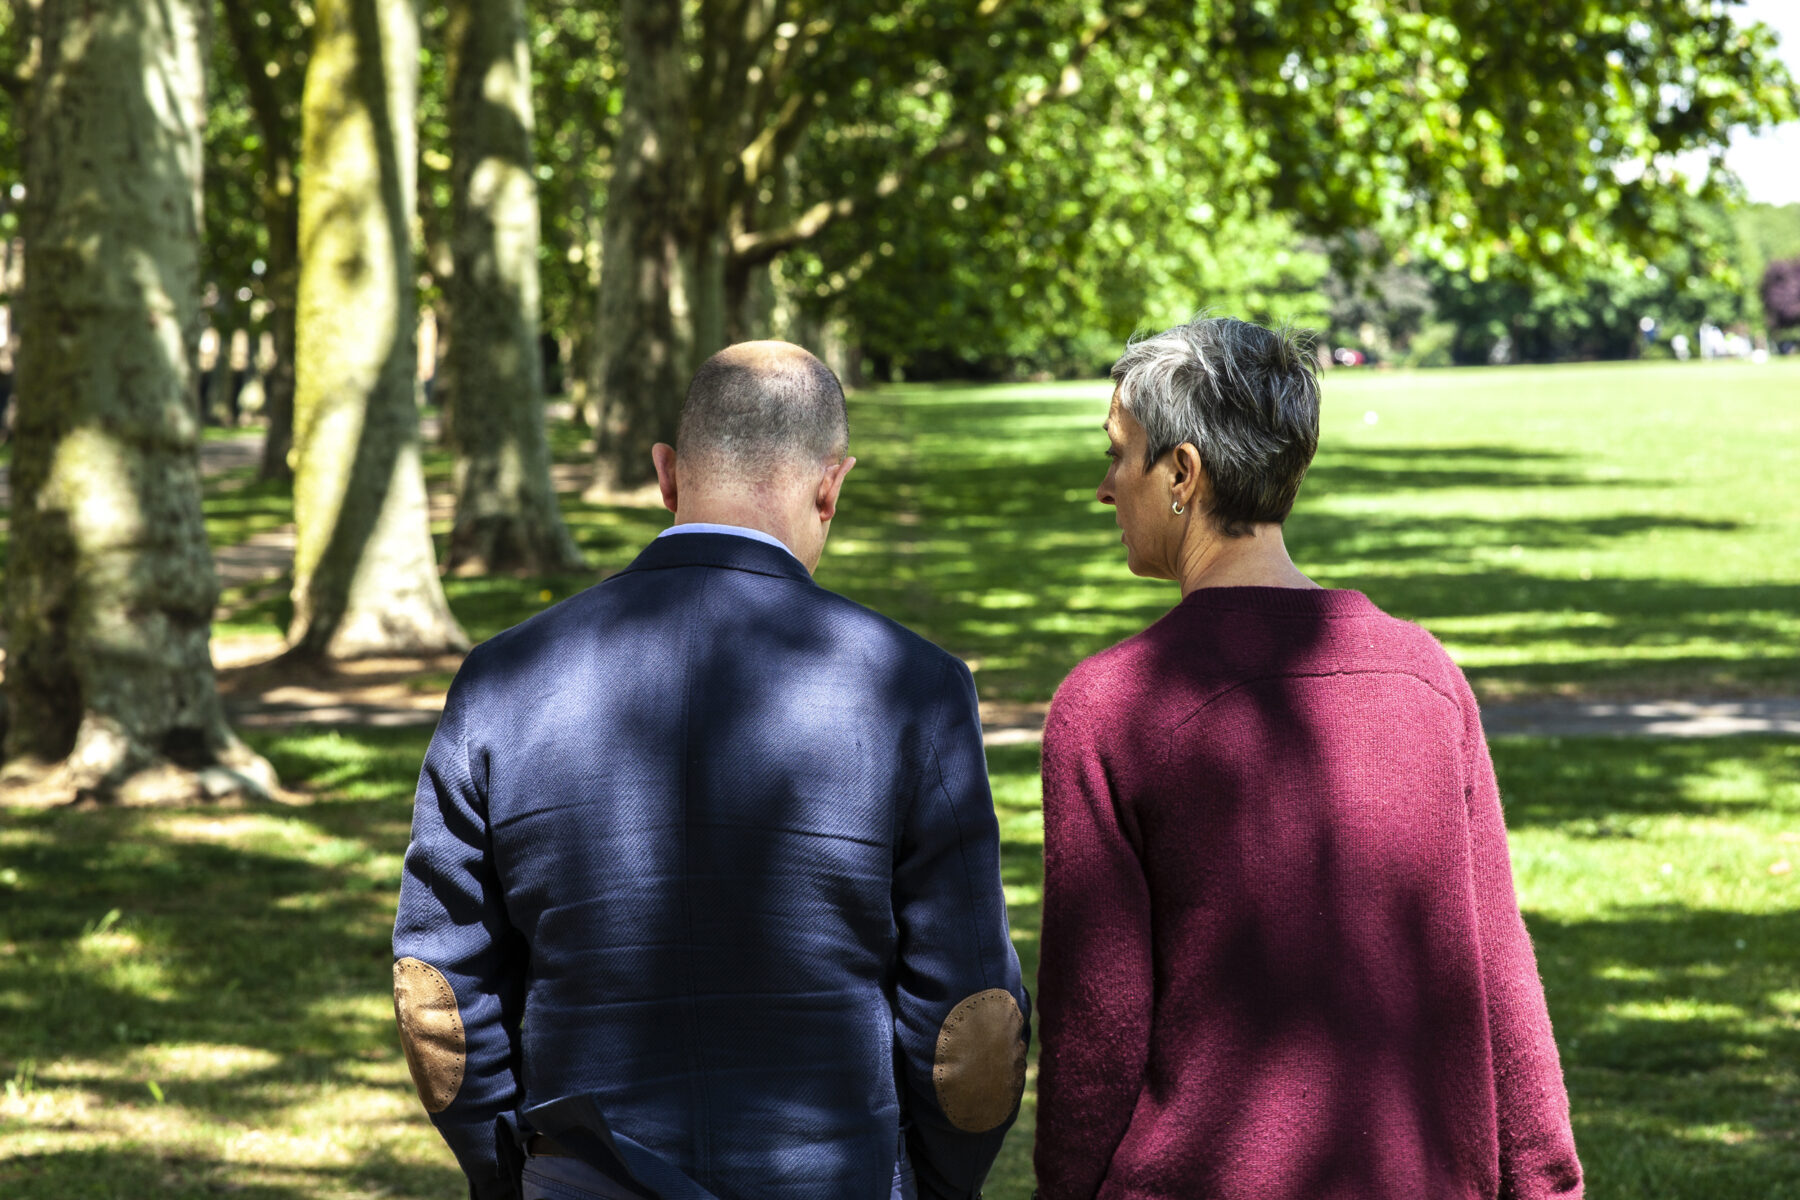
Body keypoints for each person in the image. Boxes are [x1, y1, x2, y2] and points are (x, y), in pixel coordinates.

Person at [393, 341, 1029, 1200]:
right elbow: (970, 1019)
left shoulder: (503, 679)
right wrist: (929, 1182)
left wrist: (518, 1172)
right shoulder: (916, 687)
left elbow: (438, 994)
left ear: (666, 474)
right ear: (831, 484)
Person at [1032, 317, 1582, 1199]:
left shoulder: (1110, 707)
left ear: (1182, 473)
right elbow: (1499, 971)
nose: (1105, 488)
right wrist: (1548, 1183)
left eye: (1117, 454)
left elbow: (1096, 1029)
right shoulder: (1426, 675)